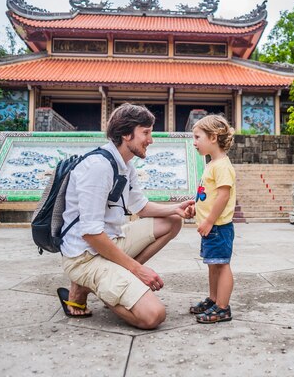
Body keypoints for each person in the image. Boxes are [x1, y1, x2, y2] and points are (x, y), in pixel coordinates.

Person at [58, 103, 195, 329]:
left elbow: (140, 207)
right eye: (146, 132)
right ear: (126, 134)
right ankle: (94, 285)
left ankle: (113, 281)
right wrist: (137, 270)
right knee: (153, 316)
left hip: (111, 242)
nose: (151, 140)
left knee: (172, 222)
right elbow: (91, 233)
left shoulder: (125, 164)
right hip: (85, 256)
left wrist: (175, 208)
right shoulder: (98, 166)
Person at [190, 115, 236, 323]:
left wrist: (209, 221)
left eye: (197, 137)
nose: (194, 142)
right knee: (212, 264)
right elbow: (207, 193)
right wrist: (196, 207)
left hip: (218, 227)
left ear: (213, 137)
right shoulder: (211, 164)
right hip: (211, 227)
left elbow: (223, 195)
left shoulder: (222, 166)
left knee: (222, 265)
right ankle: (214, 299)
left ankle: (223, 307)